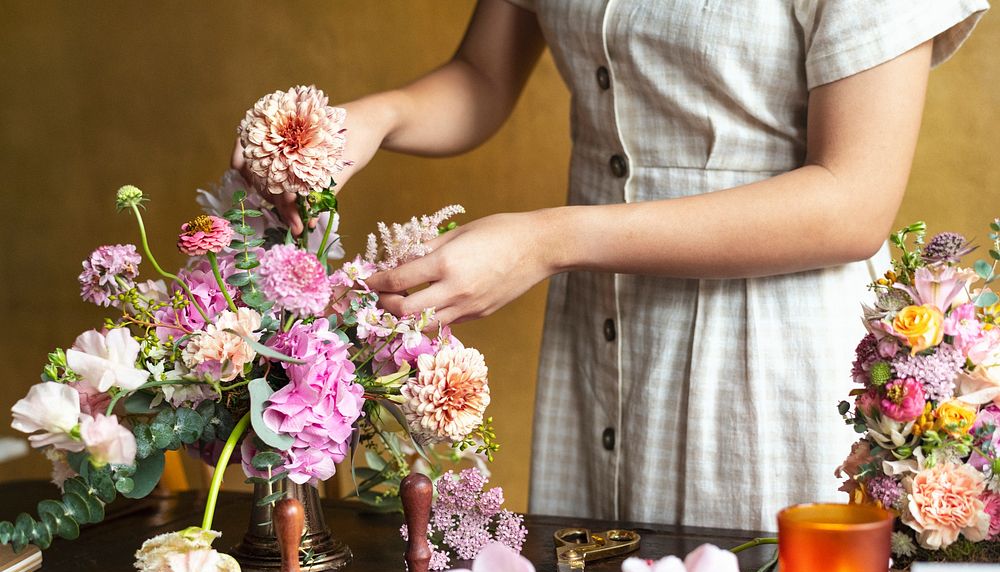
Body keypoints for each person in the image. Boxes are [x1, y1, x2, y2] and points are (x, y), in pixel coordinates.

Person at [235, 0, 989, 531]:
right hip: (599, 343)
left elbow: (851, 200)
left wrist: (546, 241)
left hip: (768, 354)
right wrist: (372, 119)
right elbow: (483, 74)